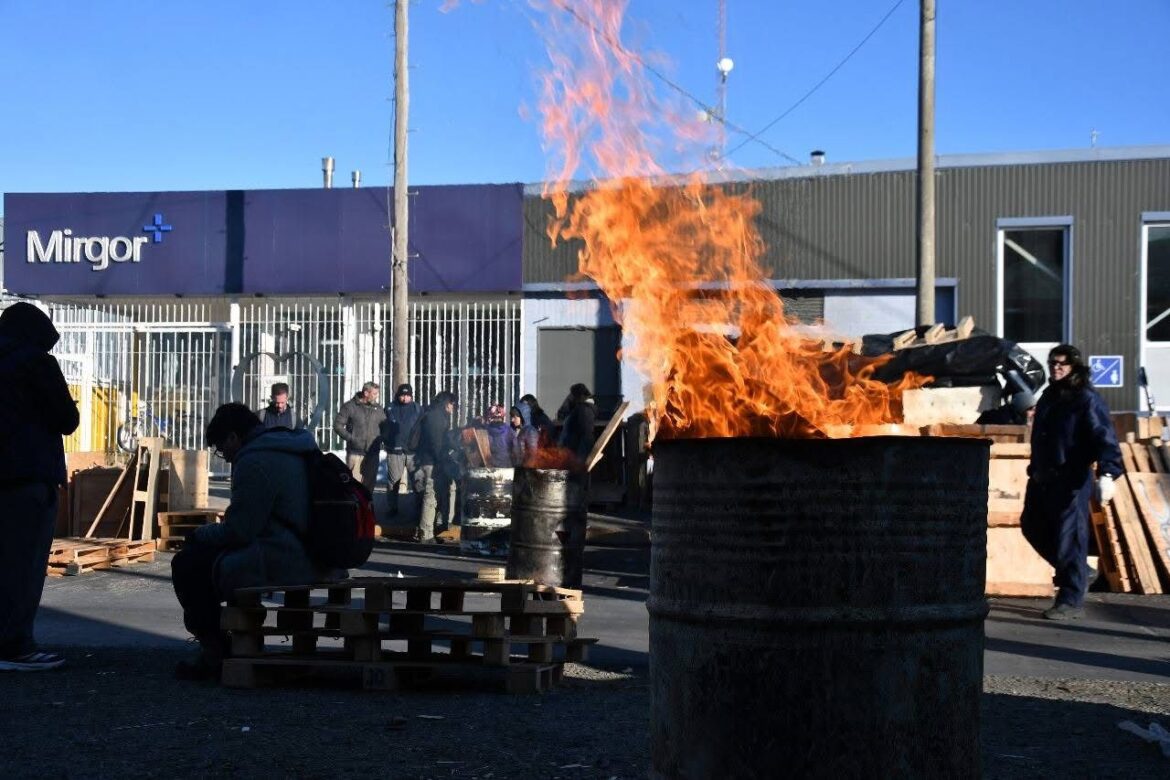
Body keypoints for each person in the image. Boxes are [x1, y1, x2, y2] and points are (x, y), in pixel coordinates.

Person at [172, 403, 323, 680]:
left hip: (286, 555)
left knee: (188, 565)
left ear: (233, 437)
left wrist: (198, 534)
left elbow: (240, 530)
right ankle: (235, 639)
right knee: (210, 560)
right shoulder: (287, 446)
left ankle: (214, 652)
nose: (225, 457)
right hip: (309, 550)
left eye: (221, 448)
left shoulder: (255, 460)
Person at [0, 303, 80, 671]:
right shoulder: (36, 363)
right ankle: (16, 646)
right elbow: (67, 419)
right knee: (26, 565)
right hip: (29, 477)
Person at [1020, 344, 1123, 621]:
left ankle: (1071, 599)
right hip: (1042, 476)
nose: (1057, 367)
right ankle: (1080, 573)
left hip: (1071, 479)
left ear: (1074, 366)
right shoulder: (1049, 396)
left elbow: (1105, 437)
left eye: (1063, 363)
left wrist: (1108, 473)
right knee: (1032, 527)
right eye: (1053, 362)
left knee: (1070, 539)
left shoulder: (1085, 398)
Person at [413, 391, 457, 542]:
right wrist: (442, 461)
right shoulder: (437, 417)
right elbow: (436, 442)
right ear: (447, 403)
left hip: (431, 460)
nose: (453, 408)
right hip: (431, 462)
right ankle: (426, 534)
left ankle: (434, 529)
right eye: (452, 404)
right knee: (430, 496)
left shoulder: (434, 414)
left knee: (438, 495)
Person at [333, 381, 385, 492]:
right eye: (374, 393)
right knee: (354, 487)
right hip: (355, 453)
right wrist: (351, 438)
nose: (377, 396)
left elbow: (385, 426)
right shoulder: (350, 406)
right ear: (366, 393)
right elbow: (337, 425)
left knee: (369, 488)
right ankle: (355, 509)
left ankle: (368, 509)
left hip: (373, 454)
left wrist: (381, 439)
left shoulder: (378, 409)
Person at [382, 383, 421, 518]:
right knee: (393, 482)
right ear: (398, 395)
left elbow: (422, 428)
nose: (404, 398)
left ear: (411, 396)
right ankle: (393, 508)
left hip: (413, 452)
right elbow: (382, 427)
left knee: (418, 482)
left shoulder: (417, 409)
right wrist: (386, 442)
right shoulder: (389, 408)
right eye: (402, 395)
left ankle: (420, 508)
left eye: (407, 395)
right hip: (394, 451)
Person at [557, 383, 598, 463]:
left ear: (580, 396)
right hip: (574, 451)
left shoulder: (584, 409)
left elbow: (586, 434)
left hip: (576, 452)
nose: (573, 398)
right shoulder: (581, 408)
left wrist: (579, 458)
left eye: (574, 396)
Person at [480, 402, 514, 468]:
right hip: (506, 467)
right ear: (502, 417)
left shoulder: (484, 430)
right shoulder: (509, 430)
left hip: (488, 467)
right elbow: (516, 449)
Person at [510, 401, 540, 467]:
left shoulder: (530, 431)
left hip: (526, 471)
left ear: (523, 416)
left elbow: (533, 455)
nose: (512, 420)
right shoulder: (520, 430)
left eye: (514, 417)